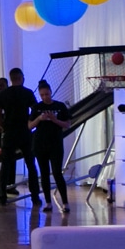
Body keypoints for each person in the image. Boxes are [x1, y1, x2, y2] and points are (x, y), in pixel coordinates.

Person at [0, 68, 39, 206]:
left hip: (9, 133)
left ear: (11, 78)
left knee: (5, 165)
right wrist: (29, 123)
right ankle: (35, 197)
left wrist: (4, 128)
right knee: (31, 164)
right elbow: (35, 110)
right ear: (22, 78)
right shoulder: (28, 93)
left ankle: (1, 197)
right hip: (24, 132)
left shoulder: (3, 94)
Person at [30, 80, 73, 213]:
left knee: (57, 173)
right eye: (42, 95)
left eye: (47, 94)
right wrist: (39, 119)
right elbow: (29, 126)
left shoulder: (60, 106)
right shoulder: (37, 108)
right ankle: (48, 202)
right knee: (44, 174)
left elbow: (67, 124)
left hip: (55, 144)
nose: (45, 97)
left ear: (51, 92)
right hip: (40, 144)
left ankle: (65, 202)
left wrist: (55, 120)